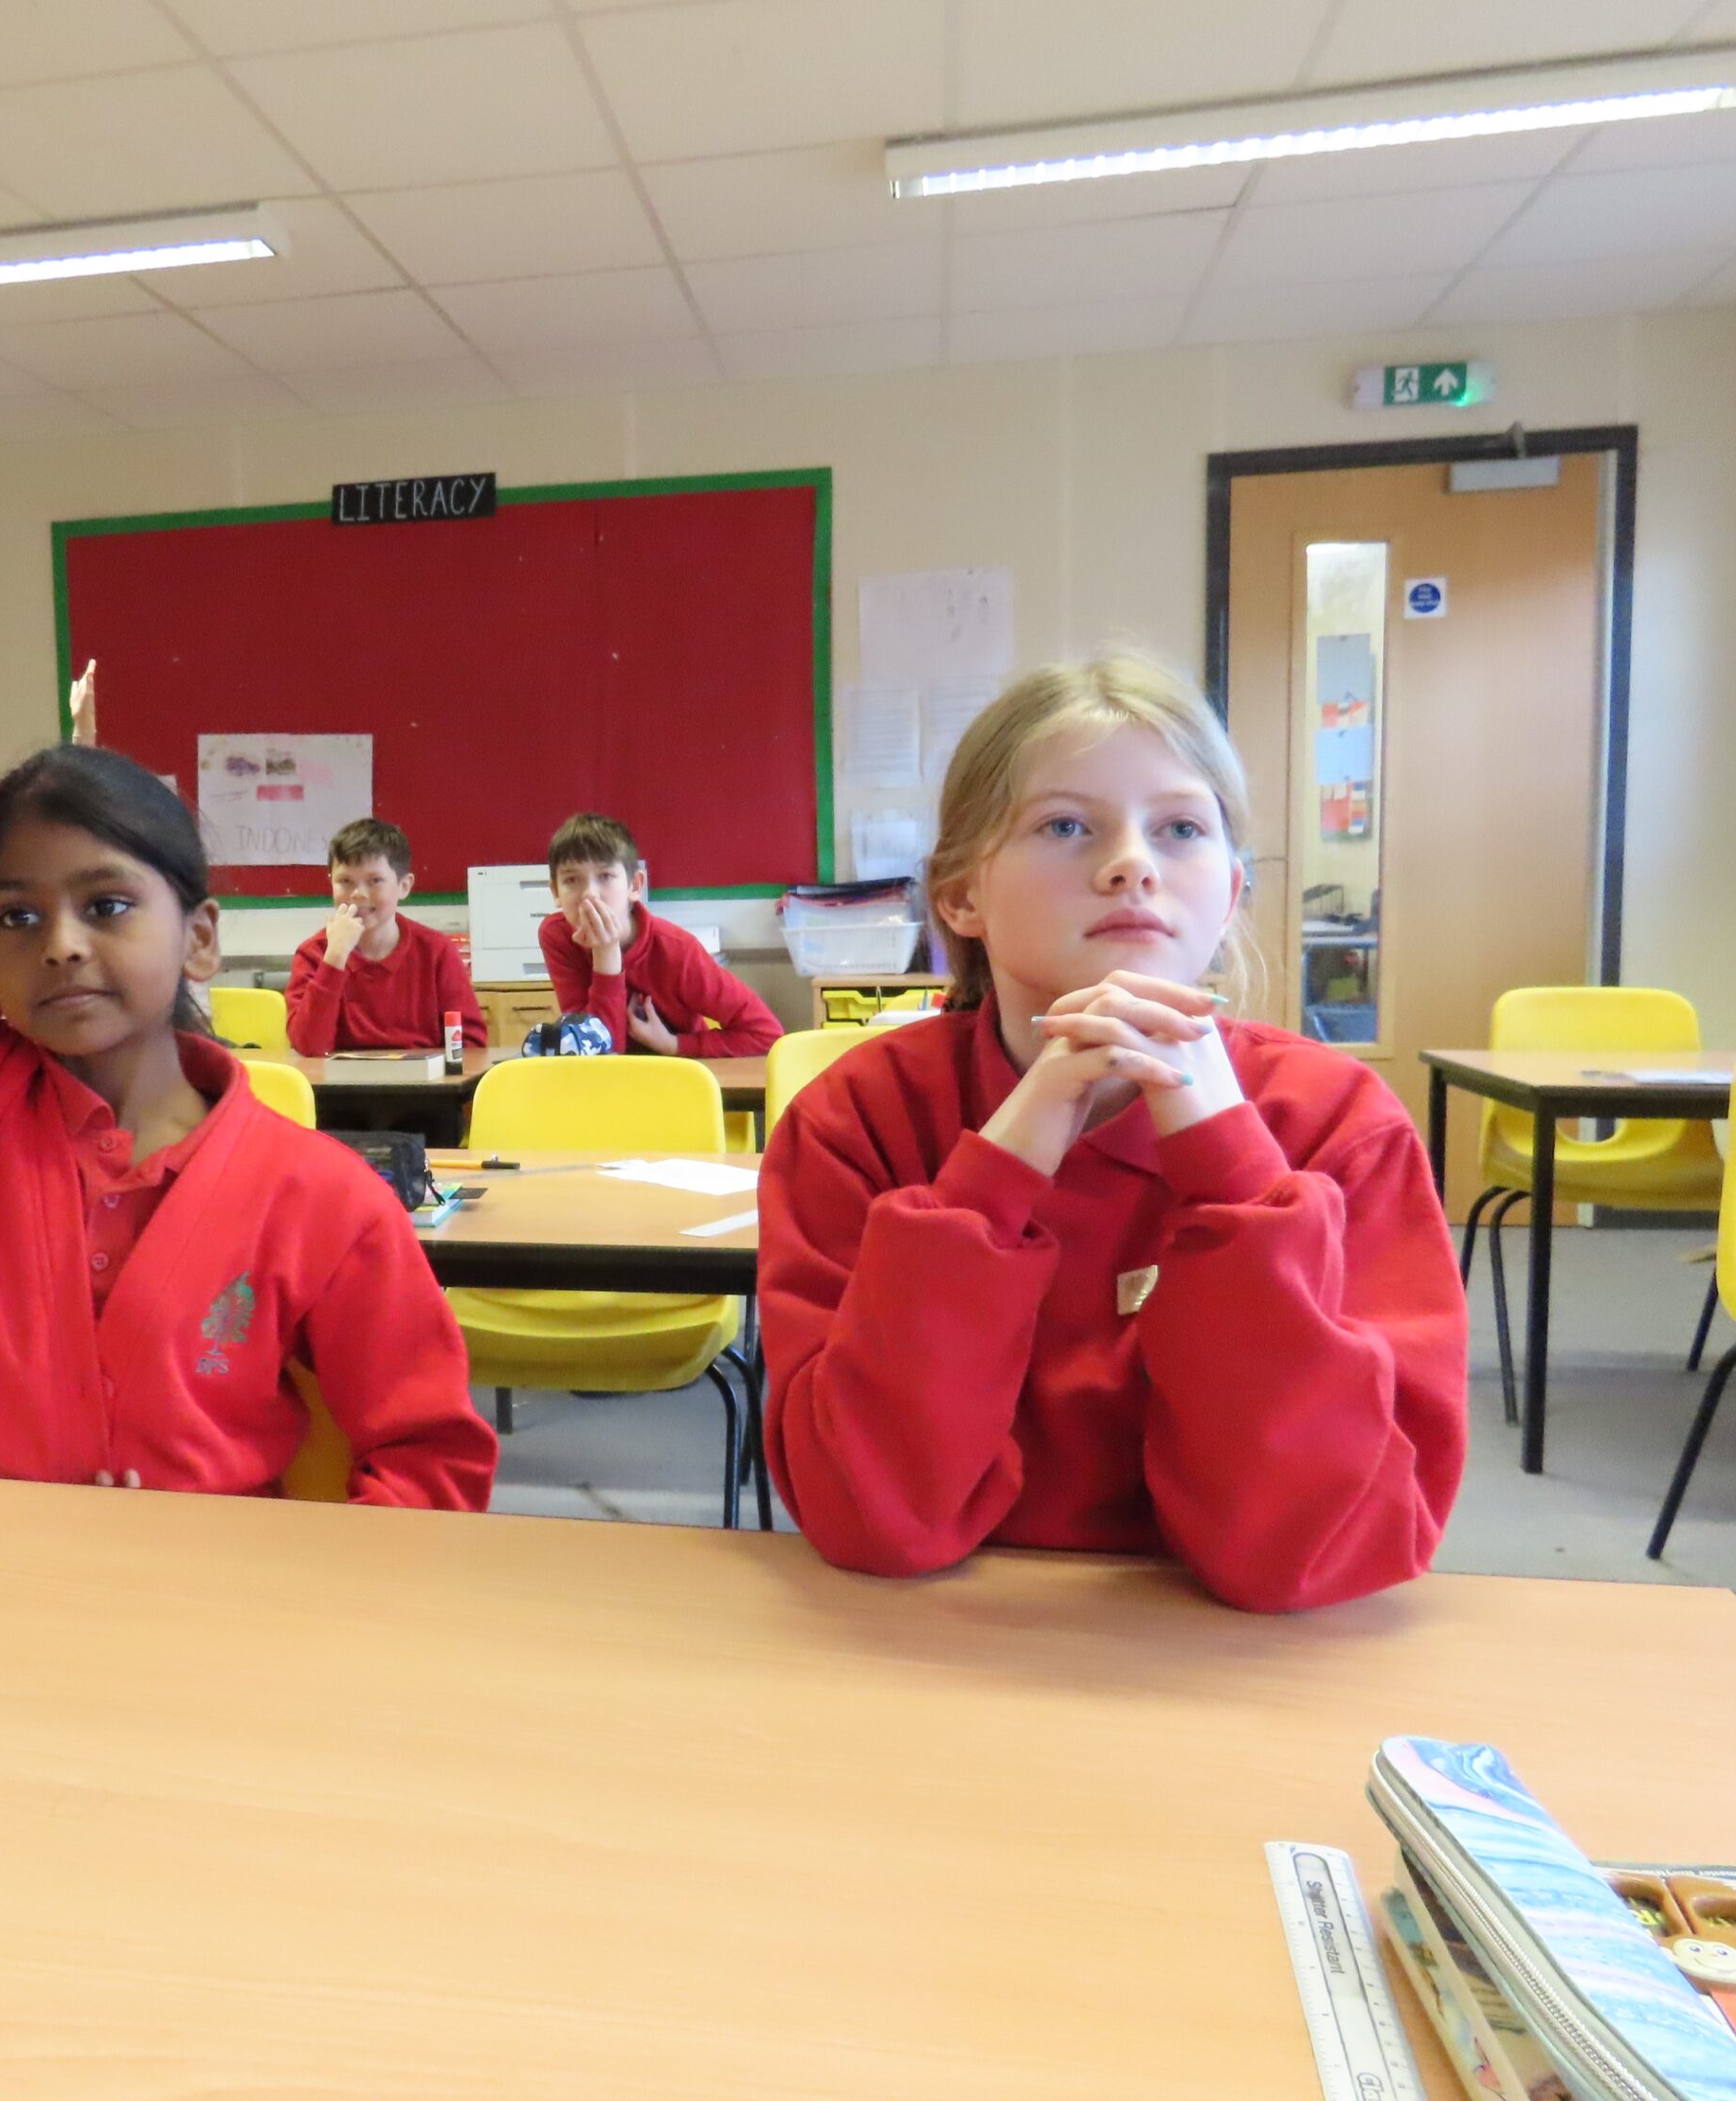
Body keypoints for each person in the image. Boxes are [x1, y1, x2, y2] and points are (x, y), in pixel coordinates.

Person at [0, 180, 496, 1507]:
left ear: (200, 928)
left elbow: (431, 1460)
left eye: (106, 903)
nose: (57, 941)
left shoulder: (318, 1196)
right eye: (13, 915)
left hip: (198, 1654)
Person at [758, 656, 1466, 1608]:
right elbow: (871, 1517)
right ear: (961, 896)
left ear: (1230, 889)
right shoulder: (858, 1118)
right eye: (1064, 826)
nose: (1130, 863)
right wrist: (999, 1170)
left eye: (1180, 828)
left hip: (1246, 1667)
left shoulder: (1337, 1125)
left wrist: (1231, 1169)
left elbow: (1315, 1552)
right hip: (934, 1639)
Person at [538, 813, 782, 1059]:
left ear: (634, 886)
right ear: (556, 892)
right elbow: (598, 1055)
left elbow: (766, 1033)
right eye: (571, 880)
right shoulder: (557, 936)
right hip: (610, 1086)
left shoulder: (677, 950)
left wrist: (674, 1045)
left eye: (605, 876)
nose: (590, 894)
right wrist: (607, 955)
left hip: (680, 1077)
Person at [284, 818, 485, 1055]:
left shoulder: (436, 951)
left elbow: (471, 1045)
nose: (358, 894)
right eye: (345, 881)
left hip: (426, 1087)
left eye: (375, 881)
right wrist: (335, 957)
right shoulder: (314, 954)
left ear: (404, 886)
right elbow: (309, 1046)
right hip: (339, 1089)